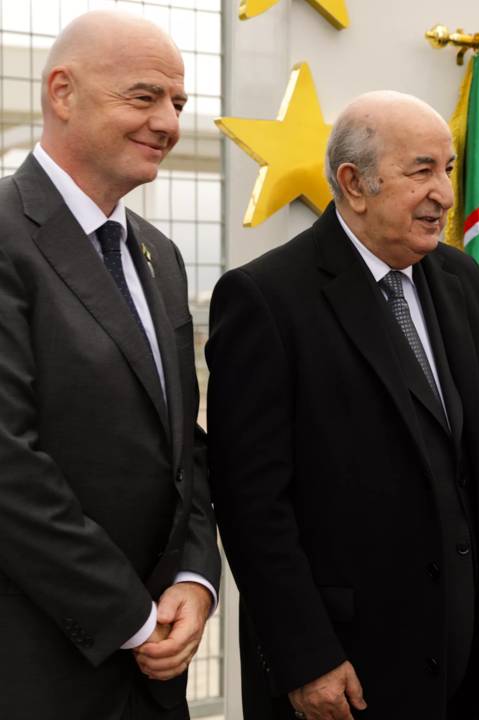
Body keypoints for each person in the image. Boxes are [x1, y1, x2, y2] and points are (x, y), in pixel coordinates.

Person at [206, 90, 479, 720]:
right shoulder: (266, 298)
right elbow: (252, 508)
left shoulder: (461, 278)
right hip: (343, 669)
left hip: (460, 659)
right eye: (422, 171)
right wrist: (305, 655)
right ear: (354, 184)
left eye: (448, 168)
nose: (444, 191)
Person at [0, 10, 220, 720]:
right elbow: (8, 464)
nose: (169, 122)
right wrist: (129, 617)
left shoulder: (158, 255)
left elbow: (181, 443)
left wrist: (194, 574)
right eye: (145, 96)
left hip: (155, 671)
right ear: (62, 93)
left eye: (178, 103)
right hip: (37, 668)